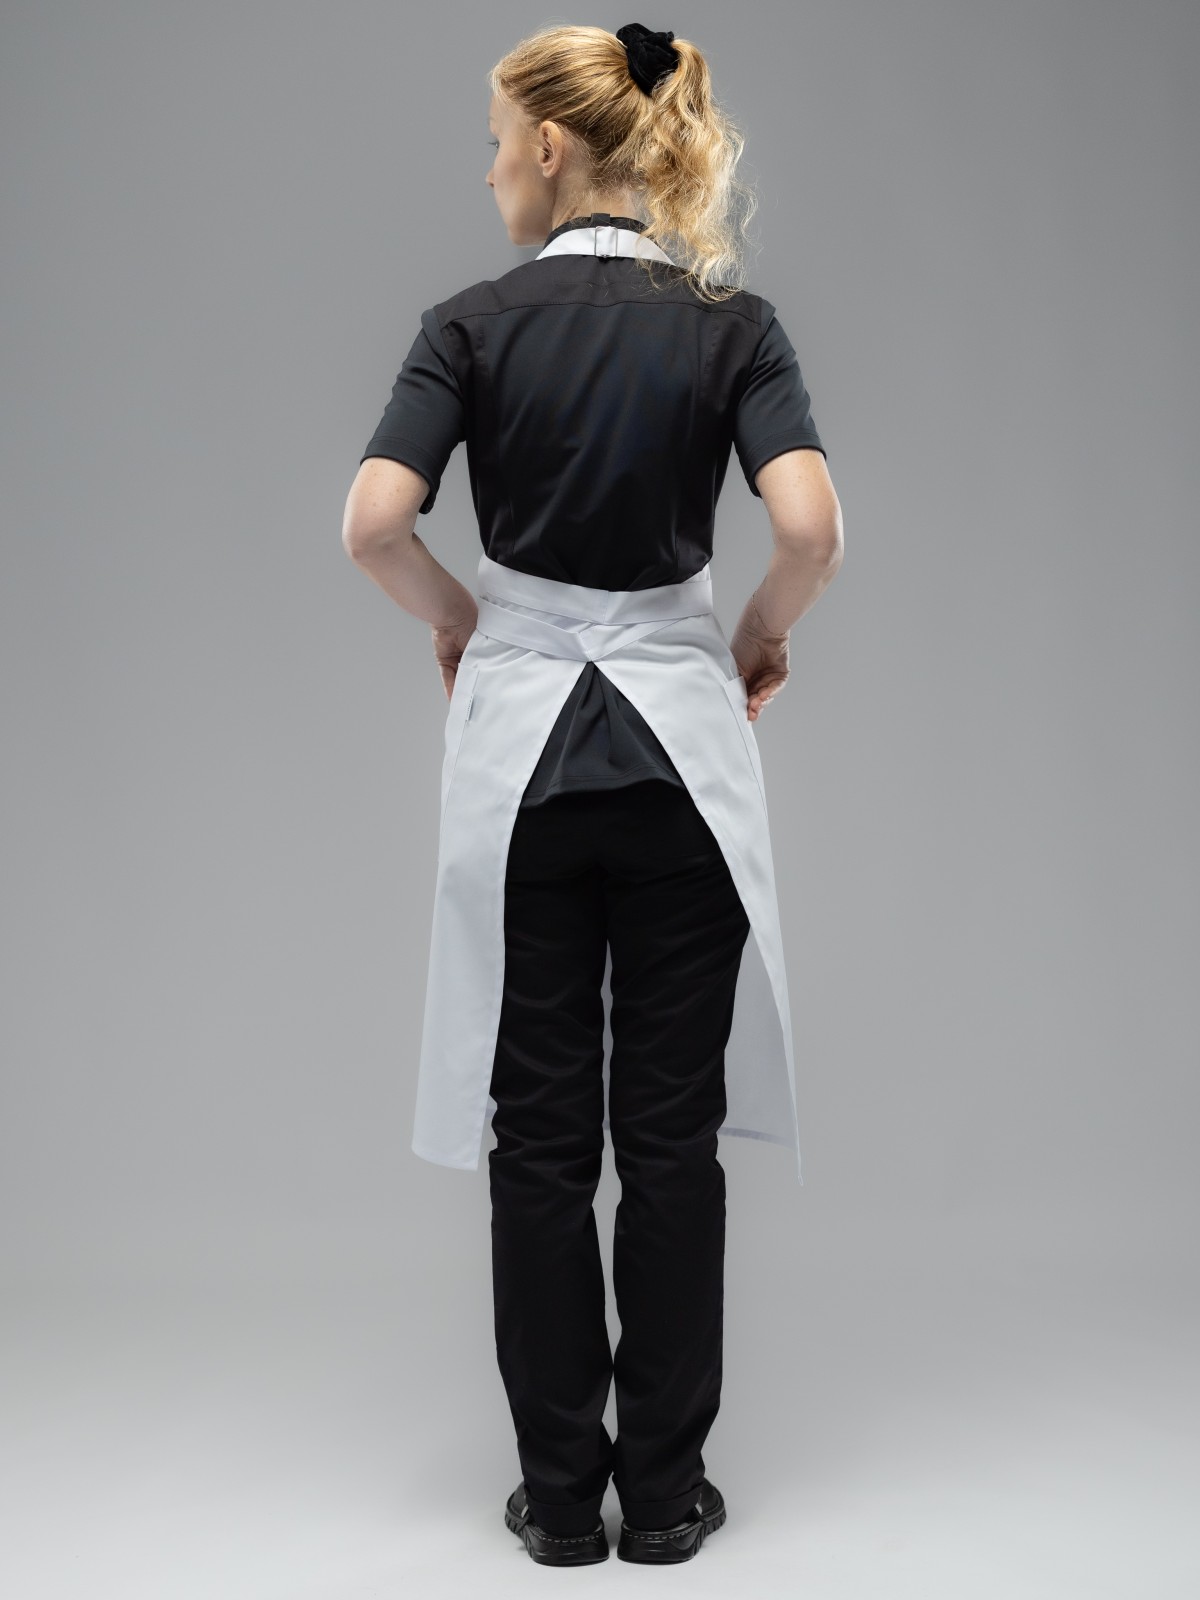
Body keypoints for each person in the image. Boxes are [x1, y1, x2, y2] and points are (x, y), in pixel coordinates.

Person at [342, 21, 843, 1568]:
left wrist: (458, 619)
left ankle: (562, 1502)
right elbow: (810, 529)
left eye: (498, 141)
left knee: (541, 1138)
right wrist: (755, 639)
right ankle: (668, 1499)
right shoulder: (732, 323)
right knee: (671, 1138)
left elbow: (373, 522)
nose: (493, 168)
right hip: (681, 761)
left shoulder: (469, 326)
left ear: (552, 146)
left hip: (528, 772)